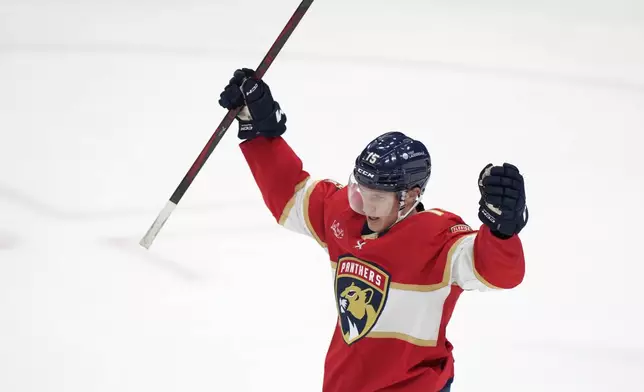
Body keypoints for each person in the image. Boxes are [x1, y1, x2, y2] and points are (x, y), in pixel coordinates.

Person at [218, 68, 528, 392]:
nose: (366, 206)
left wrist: (502, 232)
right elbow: (289, 195)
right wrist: (259, 130)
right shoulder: (345, 215)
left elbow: (497, 273)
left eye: (378, 196)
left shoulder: (439, 240)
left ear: (411, 195)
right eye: (361, 190)